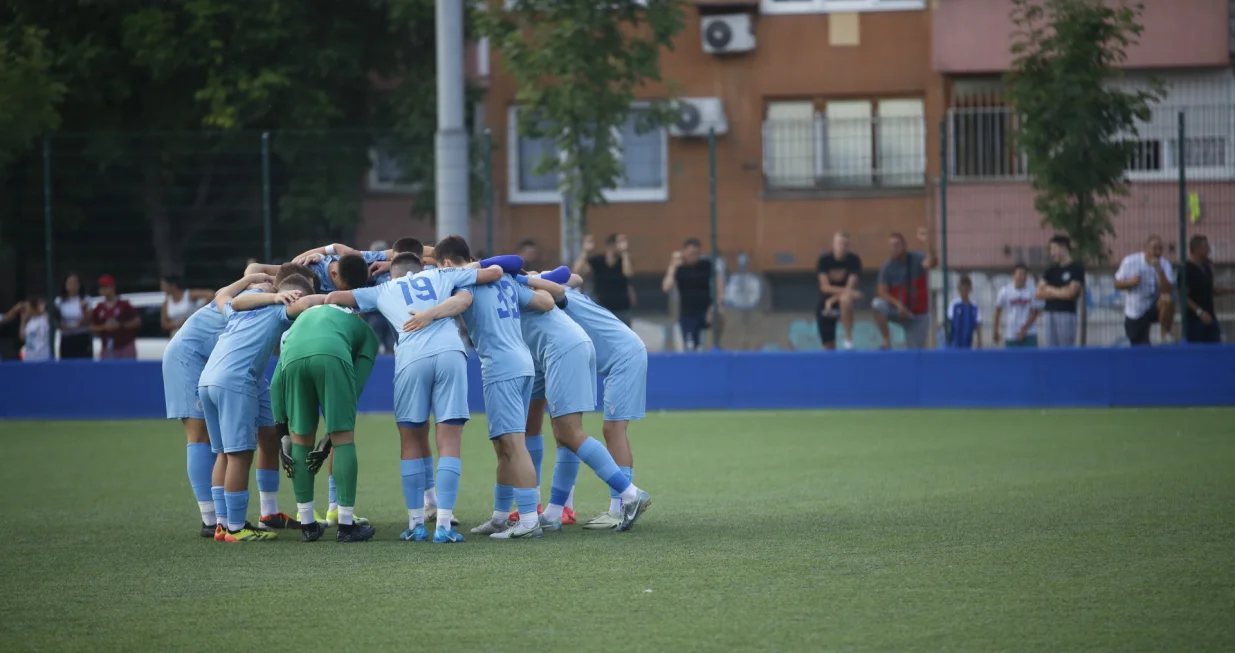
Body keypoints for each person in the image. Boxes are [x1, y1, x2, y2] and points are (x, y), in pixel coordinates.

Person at [327, 252, 503, 542]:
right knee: (449, 441)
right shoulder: (440, 275)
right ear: (422, 267)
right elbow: (494, 271)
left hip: (411, 357)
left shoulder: (382, 289)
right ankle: (444, 525)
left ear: (391, 273)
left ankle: (416, 525)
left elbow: (333, 298)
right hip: (450, 353)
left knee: (410, 442)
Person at [488, 270, 650, 534]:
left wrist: (524, 279)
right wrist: (540, 275)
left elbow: (564, 288)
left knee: (612, 430)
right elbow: (574, 278)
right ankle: (555, 510)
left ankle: (621, 506)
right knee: (564, 432)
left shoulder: (552, 294)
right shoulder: (548, 289)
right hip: (601, 354)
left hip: (624, 356)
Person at [433, 235, 554, 540]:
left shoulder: (465, 283)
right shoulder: (505, 282)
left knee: (514, 444)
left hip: (502, 367)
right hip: (522, 364)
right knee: (502, 444)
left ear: (447, 264)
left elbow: (456, 302)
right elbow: (545, 302)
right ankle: (501, 517)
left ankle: (528, 519)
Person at [197, 274, 321, 542]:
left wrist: (249, 279)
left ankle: (222, 524)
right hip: (234, 382)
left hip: (207, 380)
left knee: (222, 453)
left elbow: (222, 295)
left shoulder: (239, 310)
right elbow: (307, 303)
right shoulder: (278, 309)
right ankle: (236, 528)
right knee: (239, 455)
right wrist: (347, 300)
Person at [162, 271, 276, 537]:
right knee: (201, 437)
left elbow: (227, 291)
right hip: (188, 358)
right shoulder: (256, 299)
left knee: (234, 443)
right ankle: (211, 519)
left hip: (217, 362)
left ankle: (230, 518)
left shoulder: (244, 294)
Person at [272, 302, 380, 543]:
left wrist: (282, 432)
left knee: (300, 440)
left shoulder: (298, 324)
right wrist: (333, 435)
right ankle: (345, 526)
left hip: (293, 359)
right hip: (332, 355)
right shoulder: (364, 330)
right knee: (345, 439)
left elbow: (276, 381)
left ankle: (308, 525)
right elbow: (355, 385)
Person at [872, 229, 937, 349]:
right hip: (898, 310)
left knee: (915, 353)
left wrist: (927, 242)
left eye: (897, 245)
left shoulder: (916, 259)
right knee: (877, 304)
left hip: (917, 315)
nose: (894, 249)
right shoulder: (887, 267)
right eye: (891, 246)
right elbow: (881, 292)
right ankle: (886, 340)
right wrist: (898, 305)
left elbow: (931, 263)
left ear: (904, 246)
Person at [662, 238, 724, 351]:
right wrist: (673, 266)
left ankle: (716, 346)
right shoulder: (679, 267)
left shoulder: (706, 265)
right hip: (687, 313)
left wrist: (716, 304)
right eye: (690, 254)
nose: (693, 257)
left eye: (696, 254)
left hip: (705, 311)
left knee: (718, 316)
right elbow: (666, 287)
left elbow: (719, 285)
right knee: (690, 345)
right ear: (684, 252)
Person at [1115, 235, 1175, 346]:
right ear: (1146, 248)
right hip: (1136, 309)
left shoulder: (1164, 264)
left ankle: (1165, 334)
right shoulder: (1130, 261)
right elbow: (1117, 283)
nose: (1157, 251)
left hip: (1154, 306)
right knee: (1139, 344)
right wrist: (1130, 283)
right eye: (1154, 248)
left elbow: (1168, 290)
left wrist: (1159, 271)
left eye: (1160, 248)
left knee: (1167, 299)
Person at [574, 233, 635, 326]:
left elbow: (628, 273)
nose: (624, 245)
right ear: (611, 245)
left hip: (622, 308)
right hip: (602, 308)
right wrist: (585, 251)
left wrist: (625, 253)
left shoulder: (623, 261)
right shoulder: (598, 261)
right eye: (620, 242)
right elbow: (578, 271)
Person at [815, 231, 863, 350]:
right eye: (840, 243)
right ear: (834, 244)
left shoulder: (854, 260)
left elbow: (850, 287)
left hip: (844, 299)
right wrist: (829, 300)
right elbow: (824, 287)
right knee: (828, 345)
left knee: (845, 298)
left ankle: (847, 338)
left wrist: (833, 299)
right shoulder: (824, 260)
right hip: (825, 301)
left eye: (845, 244)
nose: (842, 246)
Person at [1183, 235, 1233, 344]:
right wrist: (1199, 312)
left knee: (1216, 347)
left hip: (1210, 317)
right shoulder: (1187, 269)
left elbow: (1212, 290)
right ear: (1197, 249)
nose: (1209, 250)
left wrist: (1231, 289)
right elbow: (1183, 296)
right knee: (1197, 352)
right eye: (1206, 247)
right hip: (1194, 320)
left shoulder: (1207, 268)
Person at [1037, 235, 1085, 347]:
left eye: (1053, 249)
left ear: (1063, 248)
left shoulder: (1076, 268)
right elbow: (1039, 292)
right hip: (1049, 313)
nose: (1051, 253)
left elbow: (1071, 293)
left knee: (1065, 347)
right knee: (1050, 348)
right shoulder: (1051, 270)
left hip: (1066, 313)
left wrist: (1049, 290)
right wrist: (1060, 291)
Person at [90, 275, 141, 359]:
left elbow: (137, 321)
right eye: (102, 287)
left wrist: (121, 325)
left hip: (125, 345)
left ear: (113, 287)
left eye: (106, 287)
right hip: (107, 347)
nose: (104, 289)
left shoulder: (124, 305)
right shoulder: (98, 308)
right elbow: (92, 327)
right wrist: (104, 327)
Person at [993, 264, 1042, 348]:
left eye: (1024, 275)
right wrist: (995, 331)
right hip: (1011, 334)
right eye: (1020, 274)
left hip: (1029, 334)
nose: (1022, 277)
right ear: (1013, 275)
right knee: (1012, 360)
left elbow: (1035, 312)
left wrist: (1024, 329)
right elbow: (997, 311)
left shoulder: (1032, 290)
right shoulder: (1005, 291)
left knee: (1030, 360)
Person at [55, 272, 93, 359]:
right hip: (66, 337)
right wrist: (65, 327)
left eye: (75, 283)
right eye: (69, 283)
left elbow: (89, 319)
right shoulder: (59, 301)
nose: (72, 285)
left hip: (82, 336)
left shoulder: (86, 299)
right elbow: (56, 320)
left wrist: (83, 310)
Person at [1, 297, 51, 362]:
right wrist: (23, 320)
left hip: (42, 356)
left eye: (28, 308)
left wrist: (39, 305)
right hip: (29, 356)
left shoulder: (43, 319)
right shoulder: (29, 322)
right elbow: (23, 337)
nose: (26, 310)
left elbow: (44, 311)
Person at [946, 275, 982, 349]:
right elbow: (949, 323)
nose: (963, 291)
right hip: (954, 345)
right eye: (961, 289)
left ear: (970, 289)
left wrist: (979, 341)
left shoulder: (974, 307)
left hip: (968, 344)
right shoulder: (954, 305)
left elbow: (978, 324)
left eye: (966, 289)